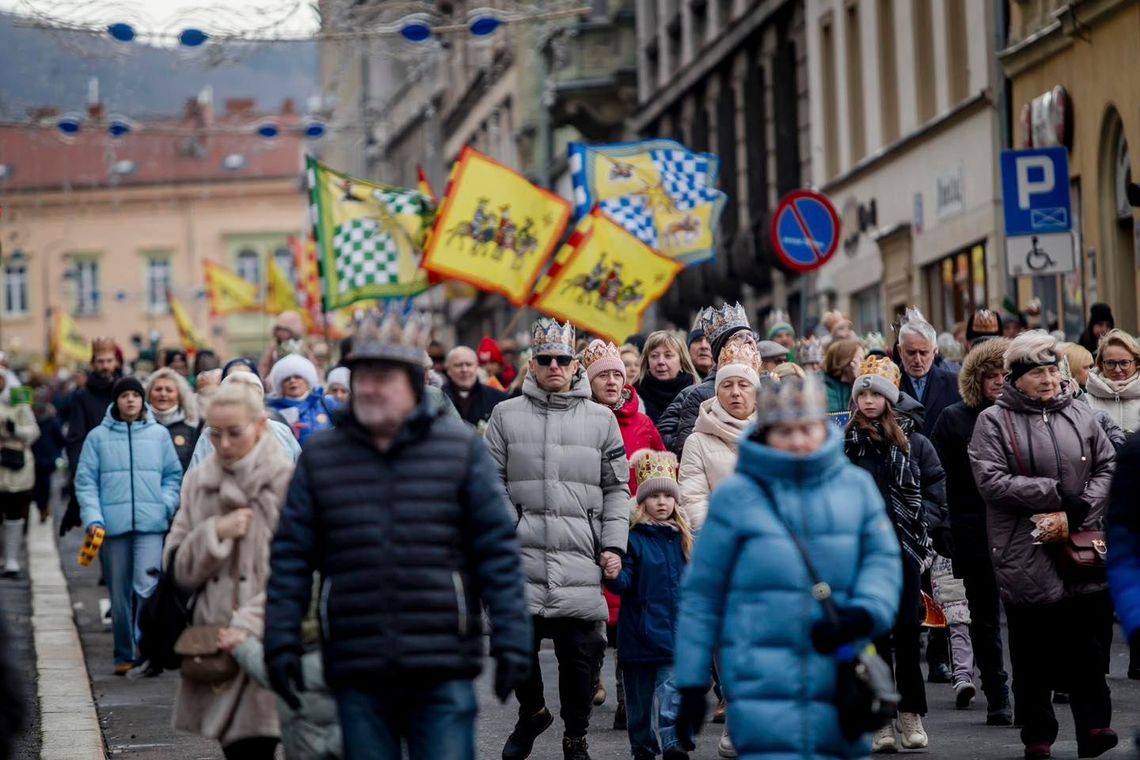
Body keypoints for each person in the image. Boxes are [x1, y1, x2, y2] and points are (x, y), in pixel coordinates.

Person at [264, 313, 531, 760]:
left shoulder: (459, 450)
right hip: (357, 661)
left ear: (411, 382)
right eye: (361, 376)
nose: (367, 387)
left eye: (382, 377)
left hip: (442, 660)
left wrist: (512, 635)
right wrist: (280, 637)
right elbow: (292, 556)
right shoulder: (323, 457)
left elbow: (496, 551)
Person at [672, 376, 902, 759]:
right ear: (766, 433)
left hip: (840, 676)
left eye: (806, 429)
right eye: (784, 431)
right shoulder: (736, 497)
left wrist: (866, 611)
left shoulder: (855, 487)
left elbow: (881, 560)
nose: (797, 441)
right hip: (760, 679)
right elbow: (703, 595)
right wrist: (692, 682)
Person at [484, 318, 630, 760]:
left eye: (561, 360)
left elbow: (616, 488)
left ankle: (576, 736)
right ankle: (532, 712)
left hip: (578, 556)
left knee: (581, 658)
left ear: (573, 365)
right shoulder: (505, 414)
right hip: (520, 556)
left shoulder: (602, 419)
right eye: (545, 359)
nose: (553, 366)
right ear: (532, 364)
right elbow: (489, 480)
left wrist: (612, 544)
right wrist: (510, 530)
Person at [970, 330, 1117, 760]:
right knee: (1033, 649)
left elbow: (1108, 461)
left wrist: (1083, 505)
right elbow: (991, 480)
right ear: (1016, 377)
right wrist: (1052, 493)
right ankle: (1038, 733)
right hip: (1023, 547)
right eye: (1039, 372)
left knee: (1087, 644)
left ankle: (1094, 727)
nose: (1050, 379)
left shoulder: (1080, 411)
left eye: (1054, 369)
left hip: (1082, 540)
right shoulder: (993, 421)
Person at [164, 384, 294, 759]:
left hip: (270, 632)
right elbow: (177, 567)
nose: (223, 444)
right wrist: (215, 534)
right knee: (238, 749)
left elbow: (302, 568)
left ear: (261, 426)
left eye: (234, 432)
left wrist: (249, 624)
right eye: (214, 433)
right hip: (214, 639)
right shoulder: (200, 482)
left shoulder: (287, 483)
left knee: (264, 743)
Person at [844, 356, 948, 752]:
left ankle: (910, 713)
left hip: (904, 552)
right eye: (863, 393)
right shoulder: (846, 445)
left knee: (906, 634)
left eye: (876, 393)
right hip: (862, 555)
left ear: (891, 399)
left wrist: (926, 523)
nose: (869, 400)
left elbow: (936, 486)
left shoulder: (915, 442)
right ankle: (881, 719)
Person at [581, 339, 666, 725]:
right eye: (604, 376)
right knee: (592, 618)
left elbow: (660, 471)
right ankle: (589, 674)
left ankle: (626, 702)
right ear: (589, 381)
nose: (613, 381)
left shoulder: (643, 423)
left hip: (631, 530)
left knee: (628, 616)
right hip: (584, 526)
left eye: (618, 374)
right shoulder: (578, 418)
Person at [929, 338, 1013, 726]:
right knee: (982, 617)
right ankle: (998, 695)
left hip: (1019, 529)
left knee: (1024, 615)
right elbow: (940, 478)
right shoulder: (954, 418)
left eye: (1004, 375)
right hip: (972, 529)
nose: (997, 382)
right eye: (990, 375)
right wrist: (944, 525)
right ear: (976, 380)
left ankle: (1030, 690)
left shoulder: (1023, 416)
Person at [75, 377, 182, 674]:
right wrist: (94, 518)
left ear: (142, 399)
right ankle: (124, 653)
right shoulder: (97, 437)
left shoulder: (159, 435)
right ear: (116, 401)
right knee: (119, 593)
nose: (131, 400)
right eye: (125, 396)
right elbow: (86, 483)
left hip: (151, 524)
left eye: (136, 395)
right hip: (113, 526)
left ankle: (147, 649)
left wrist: (165, 503)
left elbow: (173, 475)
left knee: (146, 587)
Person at [604, 450, 690, 760]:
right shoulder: (633, 539)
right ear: (642, 502)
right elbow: (624, 583)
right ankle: (642, 748)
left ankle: (672, 745)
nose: (663, 502)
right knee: (639, 709)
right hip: (639, 636)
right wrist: (613, 572)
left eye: (669, 495)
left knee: (672, 696)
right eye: (656, 496)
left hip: (674, 637)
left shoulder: (684, 540)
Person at [679, 339, 759, 533]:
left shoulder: (774, 436)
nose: (735, 392)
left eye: (743, 385)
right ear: (716, 392)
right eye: (727, 385)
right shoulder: (697, 441)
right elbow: (693, 501)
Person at [658, 303, 756, 456]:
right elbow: (683, 449)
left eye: (751, 336)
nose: (749, 341)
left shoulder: (769, 387)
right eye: (739, 337)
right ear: (722, 350)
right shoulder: (696, 395)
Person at [61, 337, 124, 534]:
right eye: (100, 361)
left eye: (109, 361)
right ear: (93, 364)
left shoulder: (126, 391)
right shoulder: (82, 396)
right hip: (97, 466)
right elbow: (76, 438)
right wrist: (78, 471)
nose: (105, 366)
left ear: (116, 362)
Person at [188, 372, 302, 469]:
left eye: (253, 393)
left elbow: (299, 473)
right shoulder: (211, 434)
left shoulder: (282, 431)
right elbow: (192, 483)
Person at [896, 308, 961, 437]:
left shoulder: (955, 384)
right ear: (900, 351)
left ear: (934, 351)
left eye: (923, 352)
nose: (917, 360)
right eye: (911, 352)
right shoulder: (889, 385)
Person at [0, 381, 39, 576]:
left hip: (16, 466)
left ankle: (12, 558)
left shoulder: (19, 403)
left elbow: (33, 432)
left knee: (14, 512)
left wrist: (15, 430)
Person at [267, 355, 339, 445]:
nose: (292, 381)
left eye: (297, 377)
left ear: (308, 379)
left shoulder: (326, 403)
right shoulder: (272, 412)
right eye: (286, 379)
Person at [634, 331, 700, 424]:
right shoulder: (633, 397)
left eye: (668, 356)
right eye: (654, 356)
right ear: (647, 361)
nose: (661, 361)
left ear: (681, 362)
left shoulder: (697, 395)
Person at [1085, 328, 1140, 435]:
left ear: (1136, 363)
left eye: (1124, 363)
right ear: (1101, 364)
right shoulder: (1085, 401)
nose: (1117, 370)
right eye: (1110, 363)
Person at [145, 368, 200, 473]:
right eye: (158, 389)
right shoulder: (140, 426)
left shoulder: (191, 429)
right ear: (149, 394)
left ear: (179, 396)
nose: (163, 394)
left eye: (169, 390)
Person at [443, 346, 509, 429]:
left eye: (469, 364)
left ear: (477, 367)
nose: (464, 369)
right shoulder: (437, 398)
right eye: (458, 365)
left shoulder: (498, 399)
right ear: (448, 369)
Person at [30, 386, 65, 524]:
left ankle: (43, 508)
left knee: (44, 486)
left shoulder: (52, 422)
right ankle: (39, 508)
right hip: (34, 460)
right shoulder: (31, 421)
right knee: (35, 487)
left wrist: (55, 455)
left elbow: (61, 440)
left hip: (47, 461)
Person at [259, 310, 310, 379]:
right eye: (279, 330)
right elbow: (265, 365)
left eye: (285, 330)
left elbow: (311, 363)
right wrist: (262, 378)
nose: (281, 333)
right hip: (278, 378)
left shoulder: (302, 346)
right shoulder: (274, 346)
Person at [822, 338, 865, 414]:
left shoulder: (856, 384)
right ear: (846, 361)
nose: (864, 364)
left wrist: (859, 381)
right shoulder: (824, 386)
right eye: (860, 359)